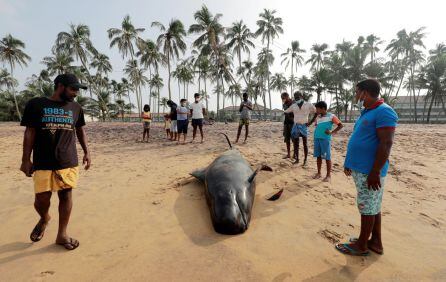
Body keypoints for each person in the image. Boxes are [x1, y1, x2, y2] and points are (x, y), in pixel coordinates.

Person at [20, 73, 91, 251]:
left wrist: (87, 152)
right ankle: (44, 218)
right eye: (73, 89)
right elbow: (29, 132)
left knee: (66, 195)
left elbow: (80, 131)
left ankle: (62, 234)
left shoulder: (76, 107)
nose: (76, 93)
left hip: (68, 159)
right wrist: (25, 159)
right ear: (60, 86)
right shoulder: (36, 104)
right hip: (43, 160)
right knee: (41, 200)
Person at [335, 79, 398, 256]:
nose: (356, 95)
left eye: (357, 92)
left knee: (367, 207)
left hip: (370, 171)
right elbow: (359, 138)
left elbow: (386, 143)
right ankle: (375, 242)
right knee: (373, 206)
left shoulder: (384, 112)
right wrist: (349, 162)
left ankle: (362, 245)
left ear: (365, 92)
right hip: (360, 168)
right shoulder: (367, 111)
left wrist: (375, 172)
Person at [312, 101, 343, 182]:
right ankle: (319, 173)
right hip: (317, 138)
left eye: (317, 109)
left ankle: (328, 175)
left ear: (323, 109)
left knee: (327, 157)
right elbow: (317, 126)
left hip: (325, 139)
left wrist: (332, 132)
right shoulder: (318, 117)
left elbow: (340, 125)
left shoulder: (331, 116)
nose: (316, 110)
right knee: (318, 156)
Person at [284, 91, 317, 166]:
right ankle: (297, 159)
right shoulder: (294, 106)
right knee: (296, 144)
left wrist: (310, 122)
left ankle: (305, 160)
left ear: (301, 97)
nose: (296, 99)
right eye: (295, 98)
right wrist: (292, 119)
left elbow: (316, 112)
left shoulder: (308, 104)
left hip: (304, 126)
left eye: (298, 97)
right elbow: (286, 112)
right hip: (296, 126)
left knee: (305, 144)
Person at [281, 92, 295, 159]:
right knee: (287, 139)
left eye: (283, 98)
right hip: (286, 123)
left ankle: (295, 154)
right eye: (282, 98)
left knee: (294, 139)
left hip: (292, 123)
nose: (283, 99)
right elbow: (286, 112)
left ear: (287, 96)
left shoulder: (293, 103)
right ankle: (288, 154)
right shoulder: (284, 104)